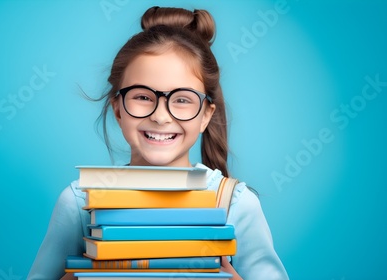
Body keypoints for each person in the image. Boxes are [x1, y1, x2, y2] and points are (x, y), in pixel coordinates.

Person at [27, 6, 289, 280]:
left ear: (205, 116)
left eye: (182, 99)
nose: (160, 116)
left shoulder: (236, 205)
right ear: (117, 108)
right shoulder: (79, 202)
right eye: (142, 97)